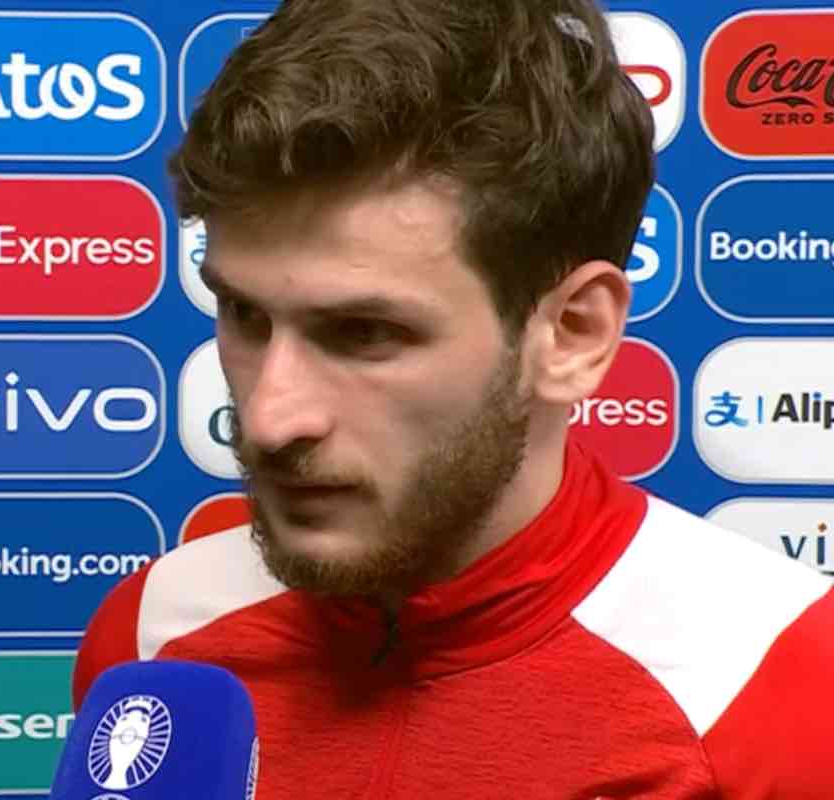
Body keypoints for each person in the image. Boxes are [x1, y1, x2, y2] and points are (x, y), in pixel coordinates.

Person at [74, 0, 834, 796]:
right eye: (244, 313)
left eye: (365, 333)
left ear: (572, 334)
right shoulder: (152, 639)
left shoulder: (773, 687)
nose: (268, 418)